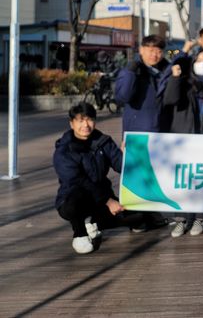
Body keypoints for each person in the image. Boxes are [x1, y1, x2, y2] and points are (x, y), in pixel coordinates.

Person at [53, 103, 143, 254]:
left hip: (101, 197)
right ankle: (80, 234)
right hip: (73, 199)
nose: (85, 125)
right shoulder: (64, 150)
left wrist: (126, 156)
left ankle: (94, 222)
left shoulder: (103, 142)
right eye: (81, 120)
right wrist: (108, 201)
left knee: (139, 216)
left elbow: (121, 166)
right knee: (76, 197)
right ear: (72, 123)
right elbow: (78, 181)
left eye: (89, 120)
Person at [163, 50, 203, 237]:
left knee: (202, 179)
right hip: (184, 138)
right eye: (199, 60)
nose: (202, 63)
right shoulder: (183, 83)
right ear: (192, 63)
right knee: (183, 180)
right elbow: (170, 99)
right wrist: (175, 78)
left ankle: (200, 217)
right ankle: (181, 220)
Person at [114, 35, 171, 134]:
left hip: (162, 132)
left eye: (159, 51)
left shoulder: (166, 73)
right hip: (137, 133)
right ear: (141, 50)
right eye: (151, 50)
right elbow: (122, 98)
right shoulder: (131, 71)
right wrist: (131, 73)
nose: (155, 55)